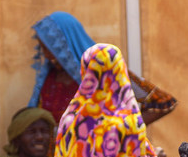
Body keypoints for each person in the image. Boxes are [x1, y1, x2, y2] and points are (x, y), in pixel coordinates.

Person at [29, 11, 176, 126]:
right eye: (42, 49)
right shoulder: (48, 77)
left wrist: (121, 130)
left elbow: (163, 103)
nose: (46, 56)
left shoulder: (104, 72)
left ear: (66, 45)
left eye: (49, 49)